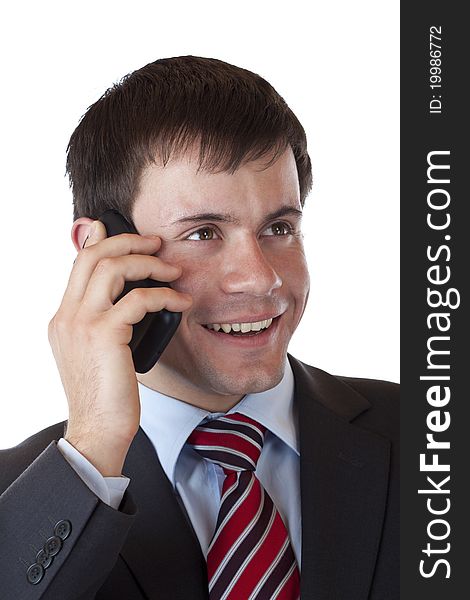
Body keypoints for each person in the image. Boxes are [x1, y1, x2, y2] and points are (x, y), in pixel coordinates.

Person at [0, 56, 398, 599]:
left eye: (279, 227)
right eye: (205, 233)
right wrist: (93, 447)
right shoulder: (19, 499)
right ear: (101, 252)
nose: (261, 280)